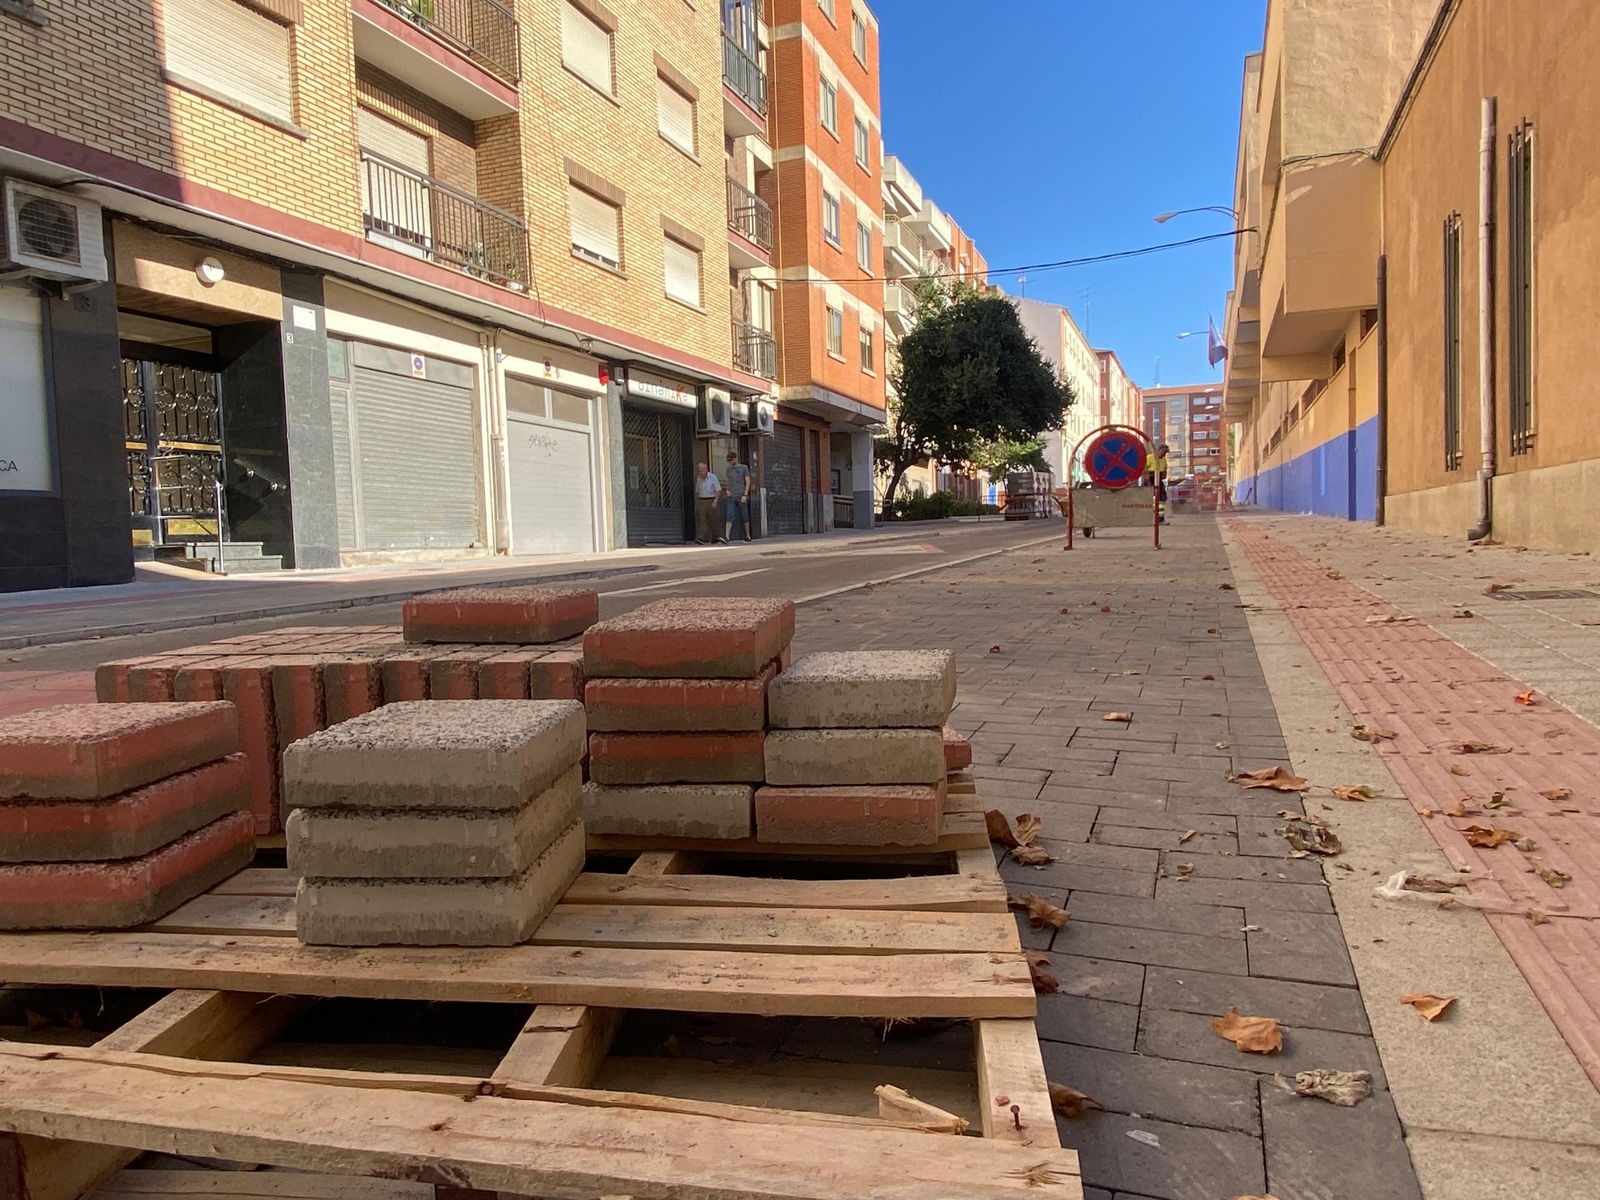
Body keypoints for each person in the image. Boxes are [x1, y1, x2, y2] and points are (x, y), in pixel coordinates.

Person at [722, 450, 753, 543]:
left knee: (744, 515)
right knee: (729, 515)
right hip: (731, 495)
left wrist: (745, 494)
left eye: (731, 460)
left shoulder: (744, 468)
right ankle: (726, 536)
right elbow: (728, 480)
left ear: (735, 458)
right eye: (728, 460)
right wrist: (727, 489)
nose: (730, 462)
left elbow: (747, 481)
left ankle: (748, 535)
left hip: (741, 495)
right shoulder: (728, 469)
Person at [693, 462, 721, 543]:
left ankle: (715, 537)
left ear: (706, 469)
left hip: (711, 499)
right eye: (699, 470)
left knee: (713, 519)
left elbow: (718, 490)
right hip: (702, 499)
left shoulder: (713, 477)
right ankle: (701, 538)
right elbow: (697, 490)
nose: (700, 472)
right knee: (702, 520)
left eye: (701, 470)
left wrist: (715, 501)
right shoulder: (699, 478)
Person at [1148, 443, 1170, 524]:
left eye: (1165, 453)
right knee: (1153, 498)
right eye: (1163, 452)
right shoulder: (1150, 457)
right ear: (1159, 450)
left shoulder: (1163, 459)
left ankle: (1160, 519)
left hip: (1158, 479)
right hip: (1151, 479)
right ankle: (1153, 518)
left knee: (1162, 497)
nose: (1164, 454)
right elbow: (1144, 469)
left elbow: (1165, 469)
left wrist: (1164, 474)